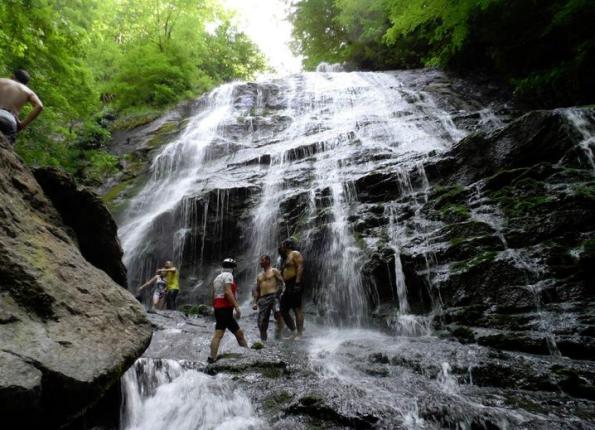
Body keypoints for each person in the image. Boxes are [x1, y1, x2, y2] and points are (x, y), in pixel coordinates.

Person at [209, 258, 248, 363]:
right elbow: (227, 292)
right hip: (225, 309)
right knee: (218, 334)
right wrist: (236, 306)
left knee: (239, 333)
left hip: (220, 309)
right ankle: (212, 358)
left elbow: (213, 295)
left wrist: (215, 308)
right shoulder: (228, 276)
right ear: (232, 267)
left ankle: (249, 354)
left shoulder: (217, 278)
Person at [0, 70, 44, 145]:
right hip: (8, 120)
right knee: (6, 150)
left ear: (12, 76)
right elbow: (39, 106)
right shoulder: (28, 91)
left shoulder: (1, 80)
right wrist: (22, 125)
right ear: (26, 83)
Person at [253, 255, 285, 341]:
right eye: (260, 260)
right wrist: (255, 302)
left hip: (274, 296)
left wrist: (279, 294)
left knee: (278, 313)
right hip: (263, 299)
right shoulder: (259, 276)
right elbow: (257, 290)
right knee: (262, 322)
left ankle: (280, 334)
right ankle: (263, 341)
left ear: (267, 261)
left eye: (262, 260)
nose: (260, 262)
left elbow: (282, 282)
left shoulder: (274, 271)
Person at [279, 239, 305, 340]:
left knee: (297, 308)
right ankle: (294, 331)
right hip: (288, 285)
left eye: (282, 245)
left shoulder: (295, 253)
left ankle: (300, 334)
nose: (281, 247)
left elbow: (300, 266)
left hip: (295, 282)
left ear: (287, 245)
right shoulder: (286, 258)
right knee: (283, 309)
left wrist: (297, 282)